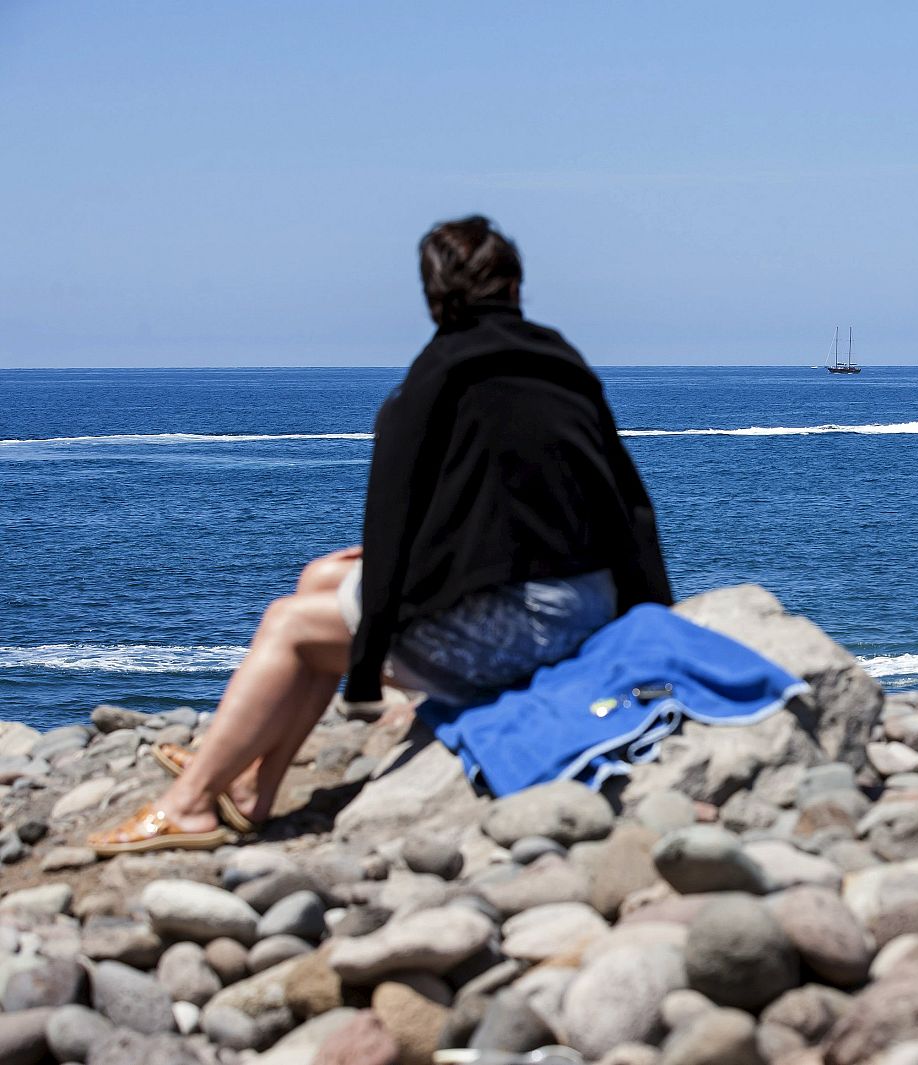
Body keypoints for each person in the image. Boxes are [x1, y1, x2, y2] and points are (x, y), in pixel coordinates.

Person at [90, 216, 672, 854]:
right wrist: (654, 621)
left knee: (291, 625)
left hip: (528, 626)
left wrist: (364, 675)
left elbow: (392, 523)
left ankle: (191, 803)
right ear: (514, 286)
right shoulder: (561, 363)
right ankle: (256, 786)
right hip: (585, 600)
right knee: (323, 578)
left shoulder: (435, 379)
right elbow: (623, 504)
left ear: (433, 297)